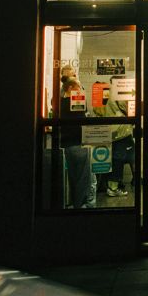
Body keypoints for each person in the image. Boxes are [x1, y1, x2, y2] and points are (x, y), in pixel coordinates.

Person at [60, 77, 96, 209]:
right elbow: (83, 116)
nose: (80, 89)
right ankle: (80, 205)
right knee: (82, 177)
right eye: (78, 87)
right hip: (78, 142)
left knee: (72, 176)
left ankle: (73, 203)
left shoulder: (59, 102)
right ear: (70, 88)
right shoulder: (76, 101)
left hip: (66, 144)